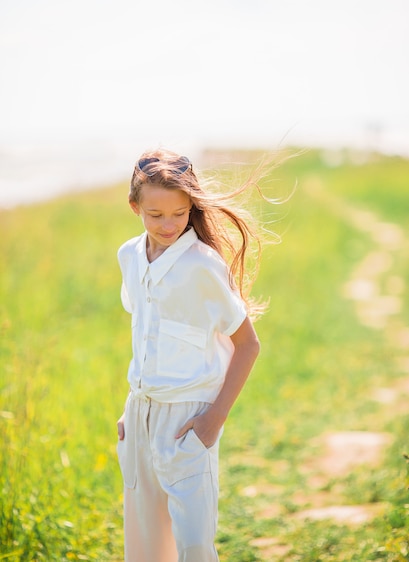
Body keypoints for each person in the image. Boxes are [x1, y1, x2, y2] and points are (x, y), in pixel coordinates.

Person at [116, 149, 268, 562]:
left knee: (194, 544)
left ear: (191, 207)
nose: (169, 225)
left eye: (179, 214)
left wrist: (213, 419)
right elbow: (146, 333)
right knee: (145, 544)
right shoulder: (129, 256)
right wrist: (132, 409)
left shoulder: (202, 264)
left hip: (188, 420)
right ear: (135, 207)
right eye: (155, 214)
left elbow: (248, 345)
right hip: (140, 415)